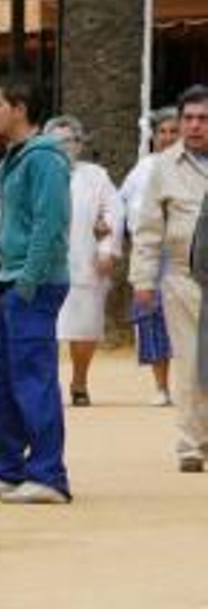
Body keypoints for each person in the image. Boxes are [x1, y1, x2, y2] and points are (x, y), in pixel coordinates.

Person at [0, 77, 72, 504]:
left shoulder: (45, 159)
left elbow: (49, 225)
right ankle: (8, 469)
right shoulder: (14, 158)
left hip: (33, 284)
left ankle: (48, 474)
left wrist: (28, 281)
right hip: (8, 281)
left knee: (33, 379)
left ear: (20, 107)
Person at [129, 85, 208, 472]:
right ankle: (191, 445)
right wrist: (142, 280)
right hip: (183, 278)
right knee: (192, 362)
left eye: (203, 119)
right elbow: (147, 229)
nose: (195, 126)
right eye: (188, 119)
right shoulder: (163, 167)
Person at [43, 116, 123, 407]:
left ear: (80, 144)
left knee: (85, 328)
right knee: (44, 330)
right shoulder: (38, 173)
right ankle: (46, 385)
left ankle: (79, 381)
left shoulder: (96, 176)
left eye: (71, 141)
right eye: (58, 141)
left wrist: (107, 249)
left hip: (86, 262)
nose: (65, 147)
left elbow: (114, 212)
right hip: (45, 265)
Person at [120, 108, 179, 406]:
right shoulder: (142, 169)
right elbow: (122, 205)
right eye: (162, 132)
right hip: (151, 252)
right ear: (154, 137)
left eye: (173, 131)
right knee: (153, 317)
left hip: (187, 252)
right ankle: (161, 386)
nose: (167, 138)